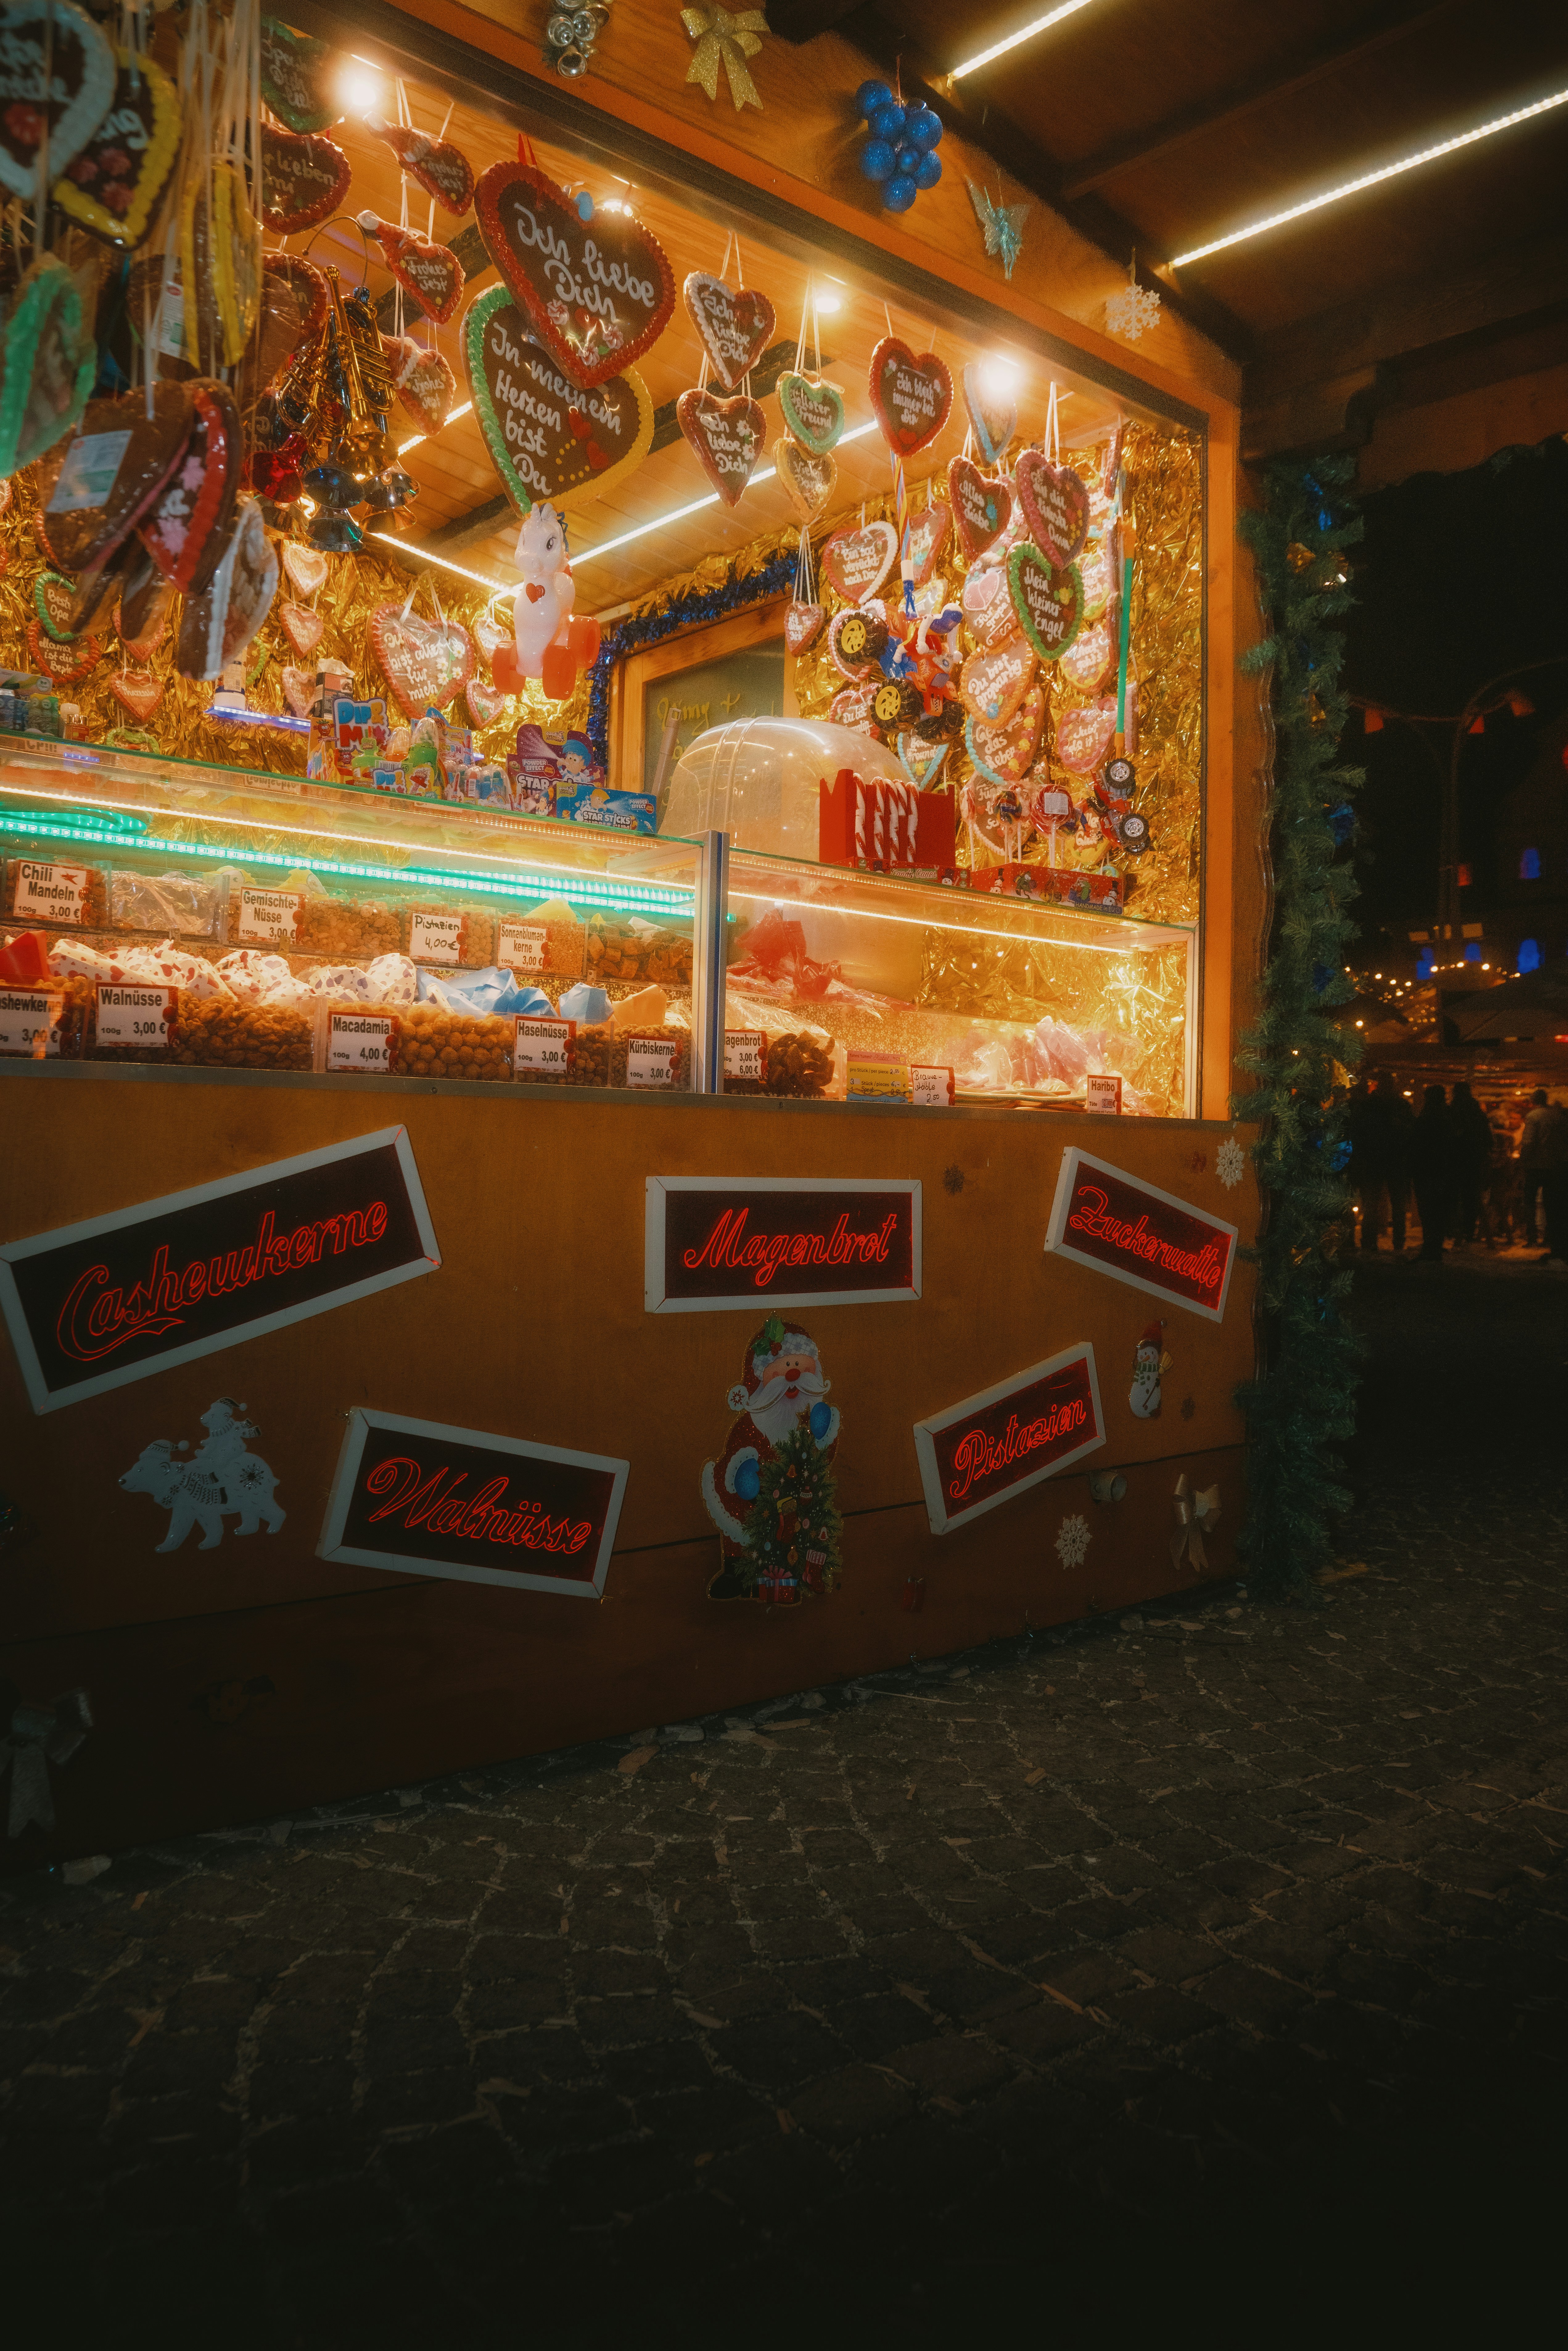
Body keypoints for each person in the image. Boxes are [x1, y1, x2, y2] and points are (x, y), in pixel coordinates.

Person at [1408, 1085, 1455, 1263]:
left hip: (1427, 1170)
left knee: (1428, 1211)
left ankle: (1431, 1249)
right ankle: (1434, 1248)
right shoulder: (1447, 1117)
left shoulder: (1427, 1118)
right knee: (1438, 1211)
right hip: (1443, 1170)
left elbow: (1416, 1143)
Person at [1448, 1081, 1493, 1245]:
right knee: (1471, 1198)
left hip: (1455, 1162)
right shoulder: (1477, 1113)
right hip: (1475, 1161)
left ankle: (1456, 1232)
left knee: (1454, 1197)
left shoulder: (1453, 1112)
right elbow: (1489, 1140)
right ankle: (1467, 1233)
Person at [1531, 1093, 1568, 1269]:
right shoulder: (1561, 1122)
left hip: (1554, 1171)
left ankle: (1559, 1251)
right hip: (1558, 1170)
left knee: (1555, 1210)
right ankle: (1560, 1251)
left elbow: (1529, 1143)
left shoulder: (1542, 1119)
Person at [1519, 1088, 1554, 1249]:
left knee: (1529, 1201)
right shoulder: (1556, 1116)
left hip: (1535, 1165)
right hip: (1553, 1165)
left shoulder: (1533, 1116)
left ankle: (1532, 1237)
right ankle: (1550, 1237)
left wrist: (1523, 1161)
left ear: (1534, 1101)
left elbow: (1529, 1142)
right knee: (1551, 1202)